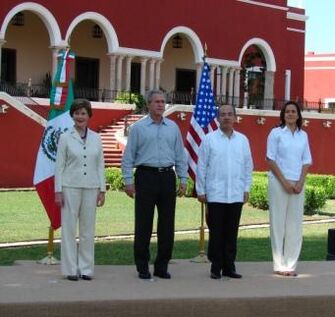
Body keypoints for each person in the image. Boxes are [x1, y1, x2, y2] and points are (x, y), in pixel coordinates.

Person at [122, 90, 187, 280]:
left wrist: (182, 179)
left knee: (167, 225)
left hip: (167, 177)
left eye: (163, 102)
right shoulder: (138, 128)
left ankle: (162, 266)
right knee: (144, 224)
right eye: (156, 101)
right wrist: (128, 181)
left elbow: (180, 155)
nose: (160, 105)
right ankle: (142, 266)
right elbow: (128, 158)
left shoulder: (173, 128)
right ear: (149, 104)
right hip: (145, 177)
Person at [196, 104, 253, 280]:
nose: (226, 117)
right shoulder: (209, 139)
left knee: (231, 233)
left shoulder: (242, 140)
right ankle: (216, 267)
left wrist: (246, 189)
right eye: (223, 114)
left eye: (230, 114)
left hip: (235, 194)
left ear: (235, 117)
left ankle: (229, 267)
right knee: (216, 233)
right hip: (216, 194)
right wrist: (201, 190)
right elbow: (201, 167)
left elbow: (247, 167)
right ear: (218, 118)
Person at [55, 99, 106, 281]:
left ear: (89, 116)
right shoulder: (64, 138)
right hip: (70, 187)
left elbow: (100, 165)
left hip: (91, 187)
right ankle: (70, 269)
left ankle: (86, 269)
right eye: (77, 113)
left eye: (83, 113)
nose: (80, 116)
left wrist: (102, 189)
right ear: (72, 115)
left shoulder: (96, 138)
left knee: (87, 230)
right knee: (69, 228)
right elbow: (59, 166)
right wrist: (58, 191)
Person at [266, 101, 312, 277]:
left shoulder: (303, 136)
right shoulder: (276, 133)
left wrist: (300, 182)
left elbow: (306, 160)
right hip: (279, 182)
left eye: (294, 111)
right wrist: (285, 182)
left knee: (294, 225)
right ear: (283, 115)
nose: (291, 114)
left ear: (299, 115)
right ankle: (279, 264)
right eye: (287, 111)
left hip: (297, 184)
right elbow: (270, 159)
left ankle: (291, 264)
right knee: (278, 223)